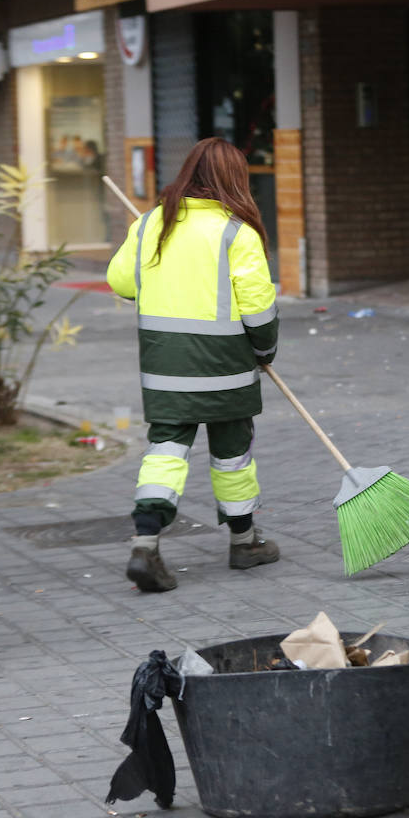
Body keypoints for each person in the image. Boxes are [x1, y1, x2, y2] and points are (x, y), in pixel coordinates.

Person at [106, 137, 280, 592]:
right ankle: (244, 542)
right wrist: (265, 351)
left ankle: (145, 543)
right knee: (232, 456)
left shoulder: (150, 226)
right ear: (232, 180)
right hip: (227, 367)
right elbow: (258, 307)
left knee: (165, 450)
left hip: (165, 365)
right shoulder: (235, 232)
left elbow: (120, 282)